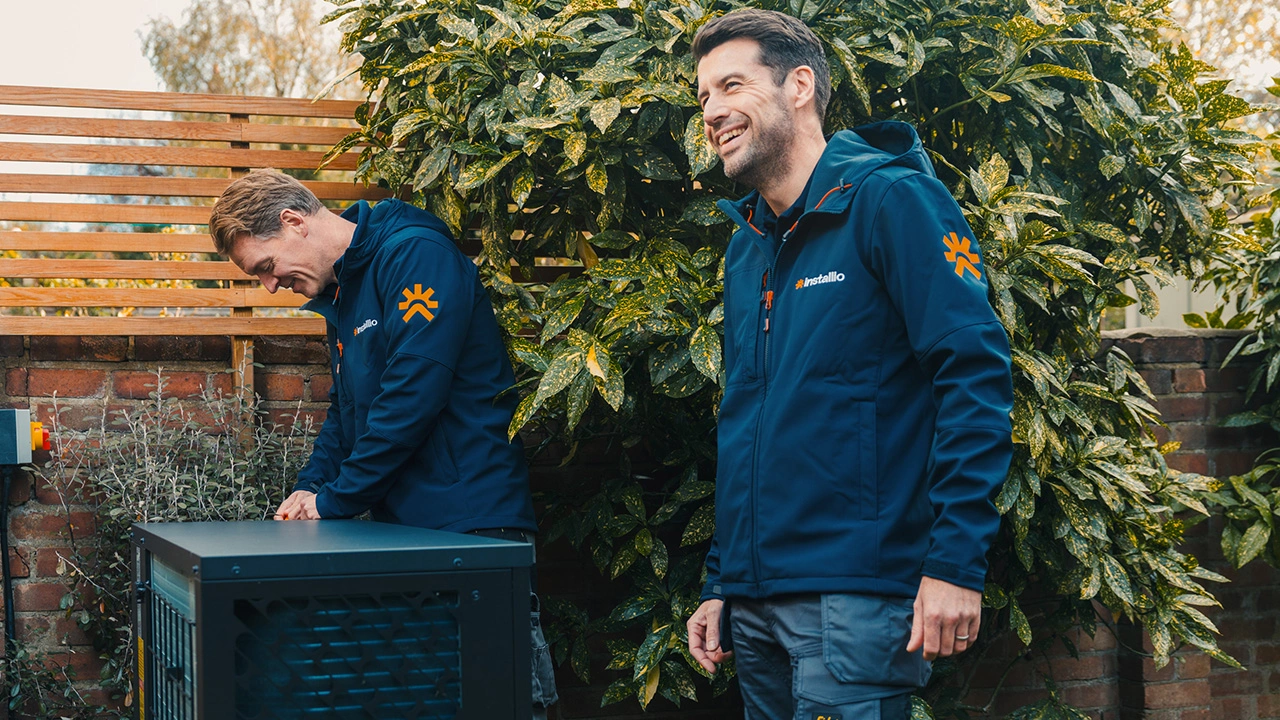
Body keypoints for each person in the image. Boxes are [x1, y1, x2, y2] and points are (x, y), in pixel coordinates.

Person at [684, 10, 1015, 719]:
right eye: (703, 96)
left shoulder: (893, 201)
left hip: (856, 601)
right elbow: (748, 414)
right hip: (757, 603)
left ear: (799, 85)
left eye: (730, 86)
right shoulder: (748, 246)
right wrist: (722, 578)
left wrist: (954, 564)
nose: (711, 112)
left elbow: (973, 375)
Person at [208, 170, 558, 718]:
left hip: (474, 527)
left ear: (293, 222)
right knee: (434, 701)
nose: (271, 286)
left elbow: (412, 394)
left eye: (266, 267)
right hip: (408, 532)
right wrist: (309, 492)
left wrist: (337, 500)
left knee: (502, 698)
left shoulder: (415, 255)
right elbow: (345, 414)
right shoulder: (343, 293)